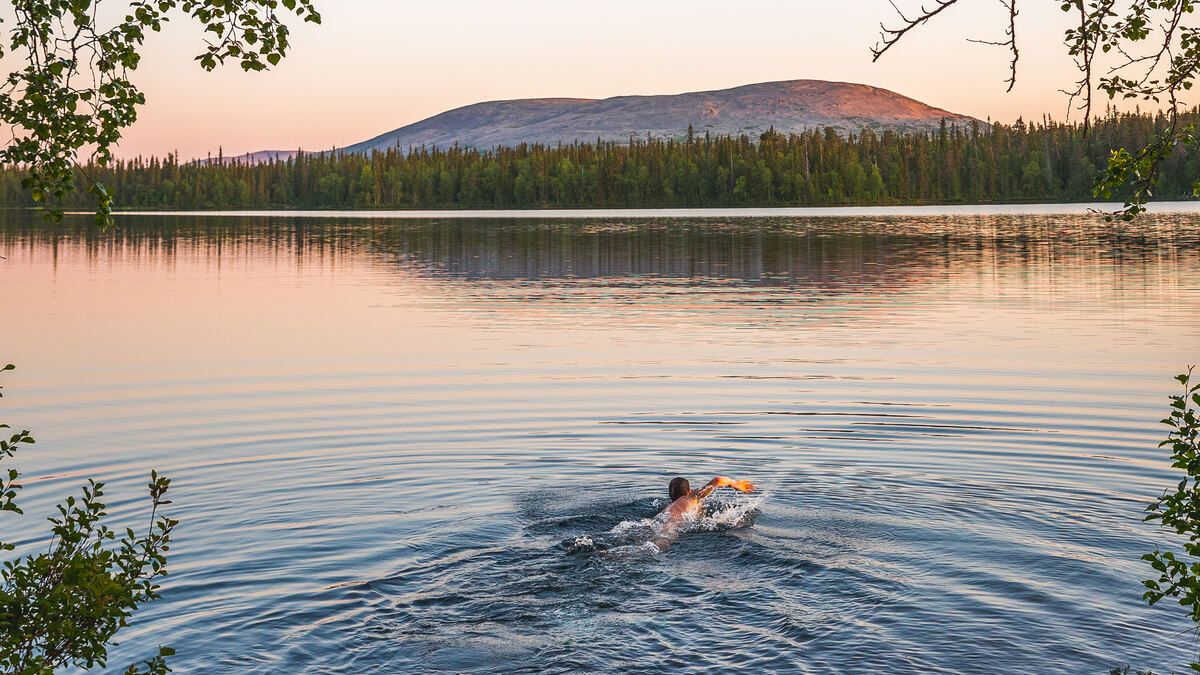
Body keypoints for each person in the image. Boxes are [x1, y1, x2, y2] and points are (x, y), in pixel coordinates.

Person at [661, 475, 755, 523]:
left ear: (670, 494)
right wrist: (734, 483)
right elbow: (718, 480)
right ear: (689, 491)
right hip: (674, 525)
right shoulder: (691, 497)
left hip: (659, 522)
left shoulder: (668, 508)